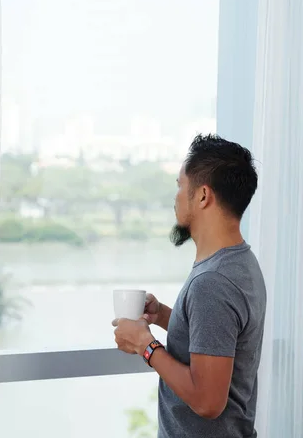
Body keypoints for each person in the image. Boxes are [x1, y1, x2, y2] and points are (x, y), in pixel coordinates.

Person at [113, 134, 266, 438]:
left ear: (203, 195)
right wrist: (165, 316)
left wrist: (146, 346)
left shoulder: (213, 282)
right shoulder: (240, 263)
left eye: (180, 185)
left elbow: (208, 402)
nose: (176, 197)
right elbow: (220, 339)